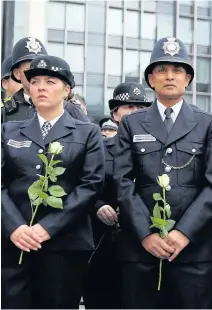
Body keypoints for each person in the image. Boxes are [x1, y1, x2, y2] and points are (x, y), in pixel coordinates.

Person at [114, 36, 212, 309]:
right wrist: (146, 234)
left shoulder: (208, 124)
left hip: (193, 250)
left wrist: (183, 233)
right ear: (151, 79)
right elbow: (123, 182)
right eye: (161, 70)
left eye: (177, 70)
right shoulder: (131, 124)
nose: (169, 76)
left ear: (187, 79)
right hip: (141, 249)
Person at [1, 55, 105, 309]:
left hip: (64, 244)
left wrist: (46, 228)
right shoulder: (9, 130)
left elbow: (90, 185)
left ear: (67, 90)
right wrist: (15, 227)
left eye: (50, 81)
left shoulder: (87, 132)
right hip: (15, 241)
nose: (41, 87)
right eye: (35, 81)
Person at [83, 82, 151, 309]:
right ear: (115, 114)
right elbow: (83, 184)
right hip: (106, 242)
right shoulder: (99, 147)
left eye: (140, 108)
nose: (134, 113)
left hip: (146, 242)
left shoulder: (157, 149)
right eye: (128, 107)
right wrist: (98, 205)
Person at [1, 37, 89, 123]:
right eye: (30, 70)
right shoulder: (5, 113)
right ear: (17, 74)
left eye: (42, 70)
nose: (37, 75)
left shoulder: (70, 110)